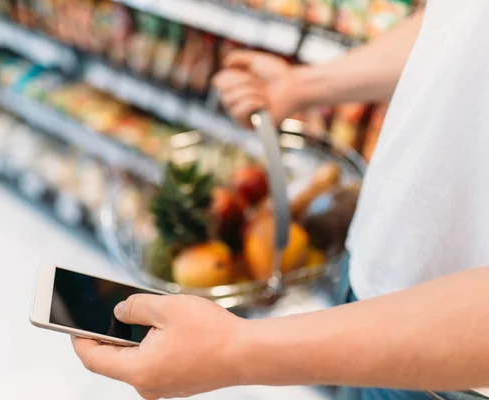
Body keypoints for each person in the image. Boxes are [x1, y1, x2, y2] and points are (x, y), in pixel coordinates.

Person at [72, 2, 489, 400]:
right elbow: (459, 25)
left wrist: (234, 350)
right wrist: (303, 85)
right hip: (374, 279)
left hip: (454, 375)